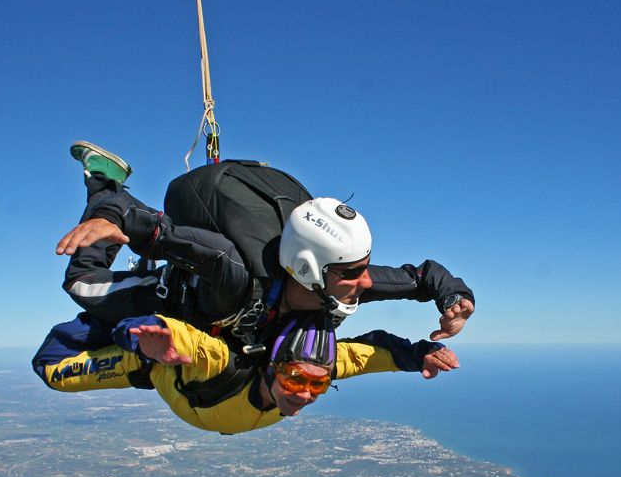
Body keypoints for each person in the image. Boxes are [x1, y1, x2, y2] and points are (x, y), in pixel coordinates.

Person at [55, 142, 475, 344]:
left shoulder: (338, 282)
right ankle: (104, 182)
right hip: (170, 293)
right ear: (311, 271)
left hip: (209, 289)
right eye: (353, 272)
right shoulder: (237, 273)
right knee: (80, 284)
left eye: (363, 267)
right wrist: (115, 215)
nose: (366, 282)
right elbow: (175, 239)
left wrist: (452, 296)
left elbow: (419, 278)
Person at [32, 311, 458, 435]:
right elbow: (186, 340)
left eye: (318, 385)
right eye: (295, 379)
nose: (305, 393)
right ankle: (103, 185)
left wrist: (421, 353)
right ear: (272, 366)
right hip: (150, 360)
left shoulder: (323, 364)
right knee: (52, 371)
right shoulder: (219, 361)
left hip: (185, 387)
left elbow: (373, 352)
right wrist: (138, 335)